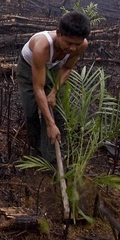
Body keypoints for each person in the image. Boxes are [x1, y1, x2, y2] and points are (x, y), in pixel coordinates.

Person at [17, 12, 90, 162]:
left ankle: (51, 158)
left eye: (77, 44)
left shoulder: (81, 46)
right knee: (31, 111)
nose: (72, 49)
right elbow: (38, 88)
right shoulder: (42, 47)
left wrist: (54, 92)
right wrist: (50, 124)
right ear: (58, 33)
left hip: (53, 68)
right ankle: (37, 151)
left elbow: (67, 68)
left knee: (57, 111)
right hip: (28, 68)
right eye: (69, 43)